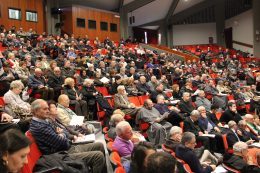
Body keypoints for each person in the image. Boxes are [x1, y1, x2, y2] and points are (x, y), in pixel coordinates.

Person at [29, 99, 106, 173]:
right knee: (98, 156)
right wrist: (62, 135)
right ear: (36, 111)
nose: (48, 111)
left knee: (100, 145)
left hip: (67, 148)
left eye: (48, 108)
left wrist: (62, 135)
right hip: (61, 154)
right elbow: (60, 141)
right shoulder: (39, 126)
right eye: (45, 109)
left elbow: (64, 132)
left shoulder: (44, 121)